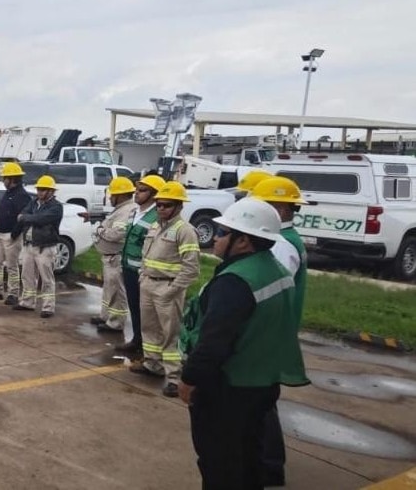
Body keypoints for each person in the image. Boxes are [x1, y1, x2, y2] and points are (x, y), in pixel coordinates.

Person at [179, 199, 307, 489]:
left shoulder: (235, 281)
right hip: (261, 383)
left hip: (228, 387)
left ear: (243, 242)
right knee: (250, 455)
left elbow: (213, 343)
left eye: (223, 232)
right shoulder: (275, 270)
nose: (216, 238)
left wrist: (189, 379)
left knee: (219, 461)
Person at [248, 176, 310, 486]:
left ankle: (269, 465)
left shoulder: (283, 245)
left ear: (281, 208)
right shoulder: (283, 240)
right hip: (269, 332)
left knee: (261, 401)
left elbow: (269, 291)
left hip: (267, 334)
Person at [130, 181, 200, 398]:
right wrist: (143, 276)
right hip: (149, 283)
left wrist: (172, 290)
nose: (161, 209)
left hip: (168, 287)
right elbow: (146, 255)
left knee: (171, 334)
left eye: (167, 205)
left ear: (179, 206)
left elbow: (191, 268)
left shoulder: (185, 231)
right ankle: (152, 364)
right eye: (159, 205)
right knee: (149, 329)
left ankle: (173, 377)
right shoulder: (154, 226)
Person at [116, 174, 166, 353]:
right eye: (137, 190)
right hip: (129, 267)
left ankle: (148, 347)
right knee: (134, 307)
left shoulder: (156, 216)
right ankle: (137, 339)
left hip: (144, 272)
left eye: (142, 191)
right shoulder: (134, 212)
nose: (137, 194)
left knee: (148, 314)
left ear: (154, 195)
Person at [91, 176, 138, 334]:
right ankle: (106, 316)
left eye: (113, 194)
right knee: (109, 289)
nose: (110, 197)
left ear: (121, 195)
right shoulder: (121, 209)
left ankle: (116, 322)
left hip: (115, 257)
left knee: (116, 291)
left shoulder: (127, 210)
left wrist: (100, 230)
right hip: (109, 257)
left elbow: (117, 233)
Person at [16, 175, 63, 317]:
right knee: (27, 275)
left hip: (45, 247)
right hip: (29, 244)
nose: (39, 192)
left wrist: (27, 218)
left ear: (51, 191)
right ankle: (27, 302)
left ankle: (48, 307)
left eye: (43, 190)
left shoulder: (56, 207)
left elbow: (41, 219)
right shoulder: (34, 202)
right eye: (39, 189)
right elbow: (22, 214)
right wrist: (27, 217)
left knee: (47, 278)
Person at [0, 162, 31, 306]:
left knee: (12, 265)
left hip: (11, 235)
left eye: (5, 178)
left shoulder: (22, 195)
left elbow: (23, 217)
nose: (3, 180)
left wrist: (14, 234)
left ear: (12, 179)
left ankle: (13, 293)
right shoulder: (9, 192)